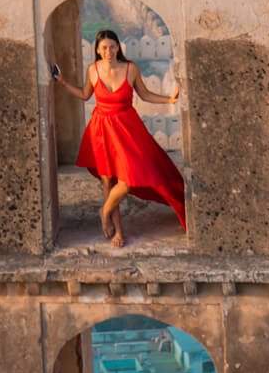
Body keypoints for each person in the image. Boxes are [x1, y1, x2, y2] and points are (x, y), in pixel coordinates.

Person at [52, 28, 185, 246]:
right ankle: (118, 231)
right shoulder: (92, 70)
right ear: (97, 49)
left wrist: (169, 100)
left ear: (118, 47)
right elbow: (85, 95)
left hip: (127, 128)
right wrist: (63, 82)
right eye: (104, 47)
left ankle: (104, 211)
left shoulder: (130, 68)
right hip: (102, 129)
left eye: (112, 46)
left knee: (128, 179)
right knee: (107, 180)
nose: (109, 51)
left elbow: (144, 94)